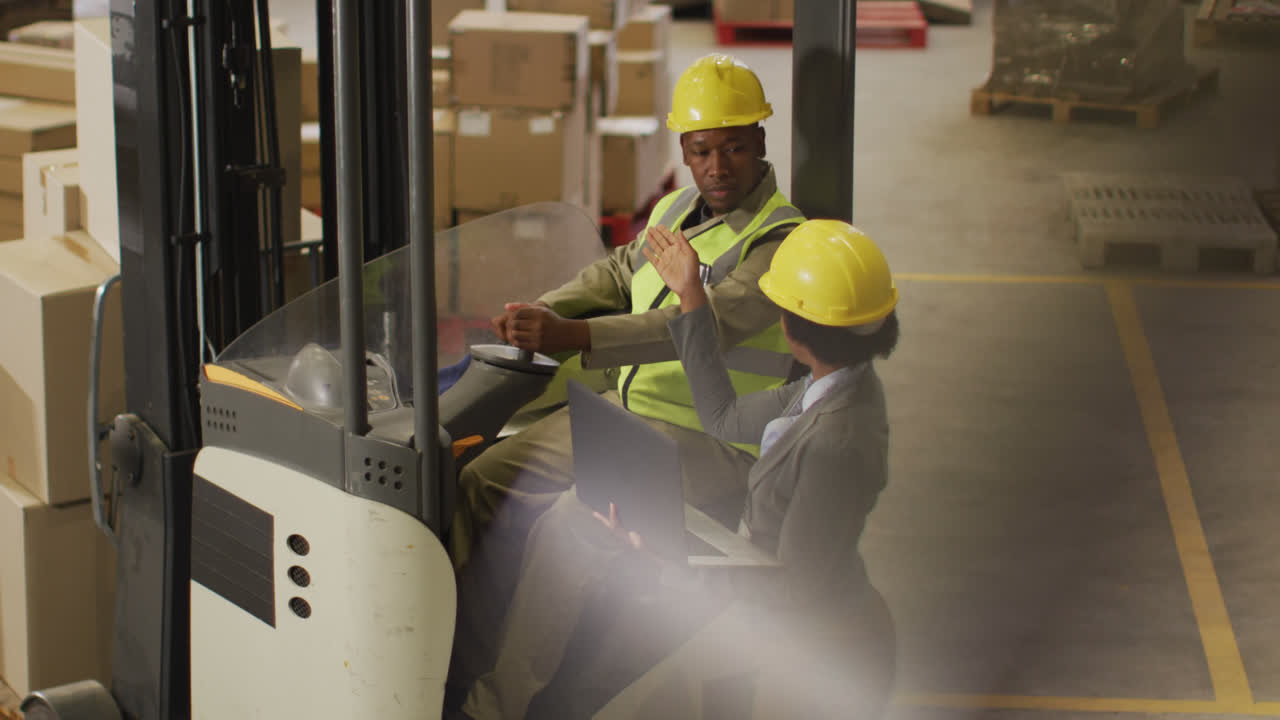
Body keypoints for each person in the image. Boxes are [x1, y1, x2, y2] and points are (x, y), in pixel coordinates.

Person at [448, 54, 806, 692]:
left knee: (571, 525)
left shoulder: (780, 244)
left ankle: (498, 703)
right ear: (685, 152)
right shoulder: (675, 210)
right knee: (481, 479)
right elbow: (619, 270)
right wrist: (547, 309)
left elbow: (702, 323)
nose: (716, 167)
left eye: (732, 148)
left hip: (712, 442)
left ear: (759, 143)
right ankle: (460, 663)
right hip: (626, 422)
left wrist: (572, 336)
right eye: (700, 151)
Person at [455, 220, 902, 719]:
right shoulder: (833, 386)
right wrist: (691, 295)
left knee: (620, 703)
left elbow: (794, 588)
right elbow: (723, 417)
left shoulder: (835, 442)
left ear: (795, 325)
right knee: (591, 686)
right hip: (772, 596)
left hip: (807, 647)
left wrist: (672, 567)